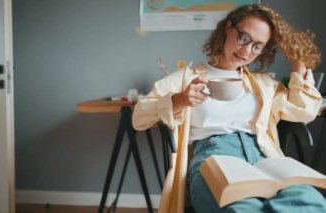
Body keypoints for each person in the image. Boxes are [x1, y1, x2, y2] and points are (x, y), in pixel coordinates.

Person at [132, 4, 326, 213]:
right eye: (243, 38)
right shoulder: (187, 78)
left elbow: (304, 111)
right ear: (227, 28)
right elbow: (139, 117)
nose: (246, 51)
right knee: (241, 208)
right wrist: (179, 100)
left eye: (257, 46)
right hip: (215, 155)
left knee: (310, 202)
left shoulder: (264, 85)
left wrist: (299, 67)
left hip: (265, 156)